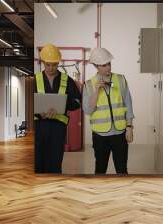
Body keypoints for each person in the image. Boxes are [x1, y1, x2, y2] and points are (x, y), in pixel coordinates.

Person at [83, 47, 135, 175]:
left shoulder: (120, 80)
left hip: (120, 134)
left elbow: (128, 104)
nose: (108, 67)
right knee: (100, 169)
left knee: (122, 169)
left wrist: (129, 127)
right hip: (100, 136)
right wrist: (96, 91)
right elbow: (88, 110)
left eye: (109, 64)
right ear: (96, 66)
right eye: (104, 65)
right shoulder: (89, 85)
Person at [34, 43, 81, 173]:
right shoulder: (35, 79)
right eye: (47, 64)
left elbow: (77, 102)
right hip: (39, 127)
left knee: (55, 162)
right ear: (43, 62)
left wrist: (62, 106)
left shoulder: (67, 80)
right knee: (38, 162)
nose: (50, 67)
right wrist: (39, 113)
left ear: (58, 63)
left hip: (58, 128)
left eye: (54, 64)